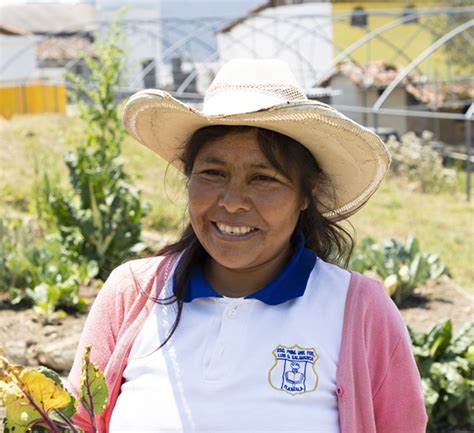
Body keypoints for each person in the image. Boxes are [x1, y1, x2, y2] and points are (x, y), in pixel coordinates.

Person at [68, 59, 427, 433]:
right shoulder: (134, 293)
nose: (233, 201)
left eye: (263, 178)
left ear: (308, 193)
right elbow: (74, 421)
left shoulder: (358, 309)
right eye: (212, 173)